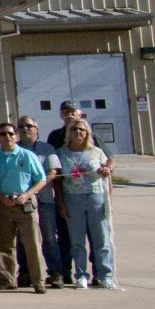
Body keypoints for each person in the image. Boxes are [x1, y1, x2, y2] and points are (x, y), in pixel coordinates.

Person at [0, 122, 48, 293]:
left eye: (11, 134)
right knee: (4, 244)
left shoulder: (27, 156)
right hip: (2, 204)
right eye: (3, 134)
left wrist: (27, 194)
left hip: (25, 203)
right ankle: (7, 279)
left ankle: (38, 281)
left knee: (32, 243)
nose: (7, 137)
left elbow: (41, 179)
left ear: (16, 136)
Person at [57, 119, 117, 289]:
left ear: (87, 133)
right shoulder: (61, 153)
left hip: (95, 198)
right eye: (74, 129)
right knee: (77, 240)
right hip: (73, 199)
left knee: (101, 239)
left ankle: (105, 274)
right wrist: (61, 203)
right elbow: (58, 182)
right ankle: (81, 275)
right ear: (69, 132)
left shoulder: (96, 152)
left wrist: (108, 172)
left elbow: (109, 167)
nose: (78, 132)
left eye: (82, 130)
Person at [16, 117, 71, 287]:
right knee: (23, 238)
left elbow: (53, 172)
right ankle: (25, 272)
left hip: (44, 200)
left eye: (29, 126)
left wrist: (36, 188)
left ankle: (55, 272)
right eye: (22, 126)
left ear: (37, 128)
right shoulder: (14, 149)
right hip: (22, 202)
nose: (25, 129)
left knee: (48, 237)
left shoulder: (46, 148)